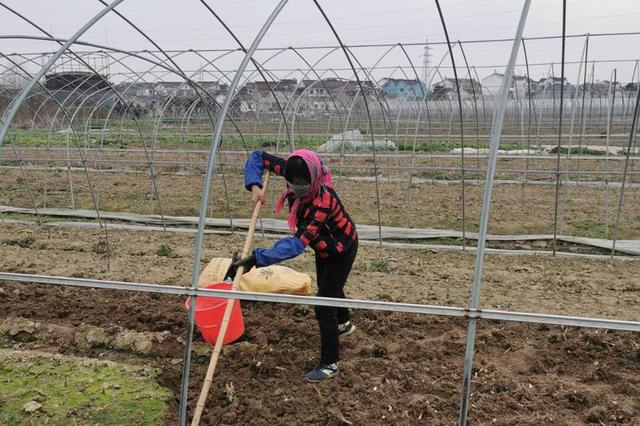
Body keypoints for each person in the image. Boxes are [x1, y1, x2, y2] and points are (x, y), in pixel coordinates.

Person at [232, 148, 358, 383]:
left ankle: (330, 363)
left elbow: (297, 244)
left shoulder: (323, 203)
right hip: (324, 247)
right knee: (329, 286)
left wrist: (257, 258)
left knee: (324, 304)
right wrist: (254, 186)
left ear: (315, 176)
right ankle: (345, 324)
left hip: (341, 249)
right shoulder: (292, 169)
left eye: (302, 182)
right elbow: (258, 157)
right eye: (293, 181)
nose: (297, 186)